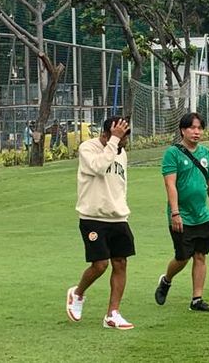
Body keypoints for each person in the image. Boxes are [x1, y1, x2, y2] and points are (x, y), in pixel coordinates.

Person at [66, 116, 135, 330]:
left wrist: (122, 208)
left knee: (120, 263)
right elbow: (98, 167)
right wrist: (114, 141)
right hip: (92, 218)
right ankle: (77, 294)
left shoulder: (120, 152)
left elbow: (119, 183)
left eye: (124, 139)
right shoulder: (88, 148)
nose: (123, 144)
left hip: (118, 217)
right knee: (100, 264)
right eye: (120, 138)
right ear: (105, 134)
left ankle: (112, 314)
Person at [154, 112, 209, 312]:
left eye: (200, 128)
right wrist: (175, 213)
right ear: (182, 130)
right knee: (183, 257)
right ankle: (166, 280)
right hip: (182, 216)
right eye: (192, 128)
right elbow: (170, 185)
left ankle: (197, 299)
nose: (196, 132)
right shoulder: (172, 153)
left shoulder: (206, 154)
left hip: (203, 215)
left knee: (200, 255)